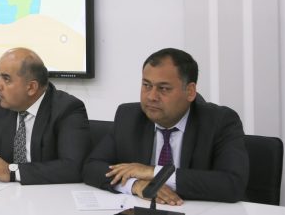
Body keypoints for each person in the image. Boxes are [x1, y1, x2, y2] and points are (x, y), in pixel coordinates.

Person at [83, 48, 249, 204]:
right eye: (147, 85)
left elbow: (232, 184)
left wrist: (152, 172)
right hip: (143, 214)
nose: (152, 96)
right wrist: (135, 185)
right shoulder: (129, 117)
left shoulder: (220, 122)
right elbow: (92, 167)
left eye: (163, 88)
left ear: (190, 91)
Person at [0, 48, 90, 184]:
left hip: (51, 195)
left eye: (6, 79)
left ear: (31, 87)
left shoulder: (67, 109)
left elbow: (73, 167)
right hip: (10, 195)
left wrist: (13, 172)